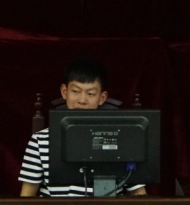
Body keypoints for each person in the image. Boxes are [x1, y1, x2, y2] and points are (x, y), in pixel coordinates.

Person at [17, 57, 147, 197]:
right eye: (75, 91)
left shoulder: (120, 140)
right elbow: (26, 198)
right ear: (64, 92)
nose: (82, 100)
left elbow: (139, 195)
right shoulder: (40, 140)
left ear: (102, 98)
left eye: (90, 94)